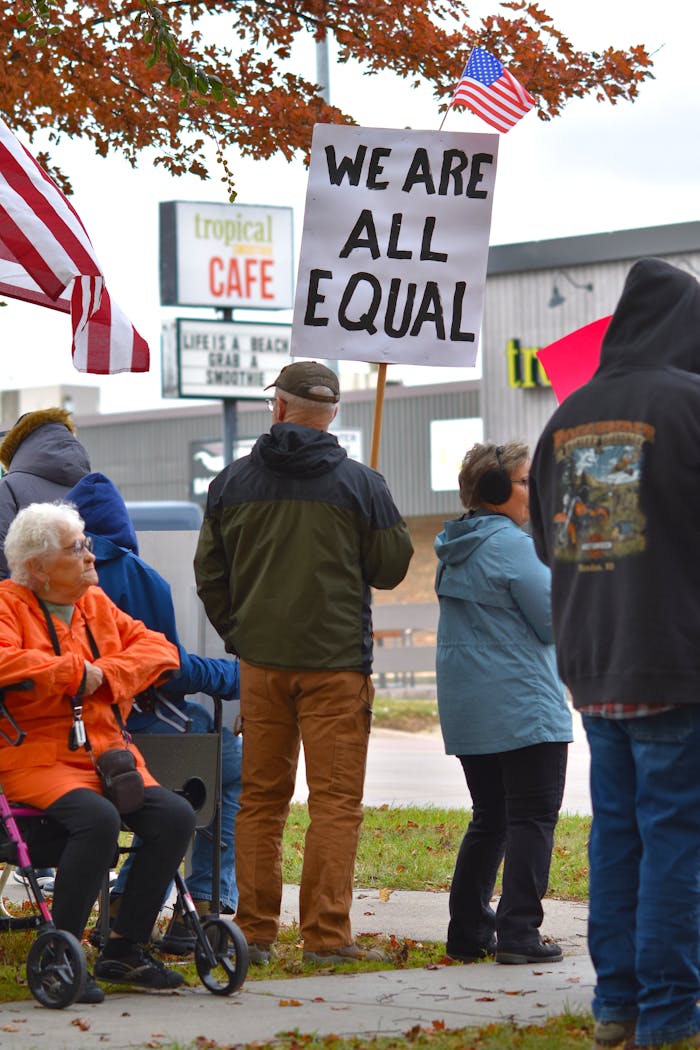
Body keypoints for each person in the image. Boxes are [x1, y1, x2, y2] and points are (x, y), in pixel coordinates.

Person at [529, 258, 700, 1049]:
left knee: (619, 835)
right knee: (676, 838)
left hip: (595, 661)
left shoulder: (566, 417)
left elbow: (545, 539)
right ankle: (670, 1016)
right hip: (675, 655)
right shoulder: (690, 406)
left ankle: (617, 1009)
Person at [194, 361, 413, 966]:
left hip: (262, 668)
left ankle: (254, 934)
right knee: (334, 802)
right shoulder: (360, 484)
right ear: (333, 412)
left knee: (260, 800)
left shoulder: (230, 483)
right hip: (337, 665)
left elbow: (209, 576)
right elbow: (392, 567)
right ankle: (326, 937)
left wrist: (242, 636)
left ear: (280, 408)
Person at [0, 502, 196, 1003]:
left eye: (85, 544)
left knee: (174, 816)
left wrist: (106, 675)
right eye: (77, 548)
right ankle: (59, 955)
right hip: (36, 759)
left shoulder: (96, 603)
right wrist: (71, 673)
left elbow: (160, 649)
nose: (92, 556)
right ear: (40, 568)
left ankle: (124, 949)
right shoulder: (7, 603)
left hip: (107, 756)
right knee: (97, 818)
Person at [67, 471, 242, 952]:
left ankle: (125, 901)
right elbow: (166, 668)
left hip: (62, 736)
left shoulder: (39, 579)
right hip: (127, 727)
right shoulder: (134, 574)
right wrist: (237, 677)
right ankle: (204, 906)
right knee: (220, 765)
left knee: (168, 789)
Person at [434, 441, 572, 967]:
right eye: (525, 481)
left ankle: (468, 932)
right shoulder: (514, 547)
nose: (535, 491)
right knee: (533, 818)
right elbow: (554, 619)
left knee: (490, 816)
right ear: (495, 491)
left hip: (474, 709)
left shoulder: (455, 545)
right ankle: (518, 932)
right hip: (525, 708)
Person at [0, 408, 91, 580]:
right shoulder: (95, 486)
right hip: (84, 599)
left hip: (26, 597)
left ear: (15, 445)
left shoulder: (8, 487)